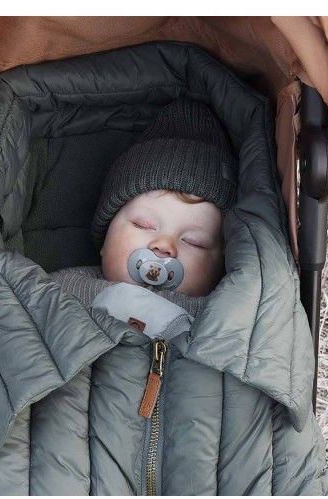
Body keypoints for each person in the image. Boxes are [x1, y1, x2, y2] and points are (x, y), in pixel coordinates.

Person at [50, 97, 237, 340]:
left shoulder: (225, 315)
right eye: (143, 225)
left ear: (221, 266)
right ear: (105, 239)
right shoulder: (60, 290)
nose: (164, 246)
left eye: (194, 242)